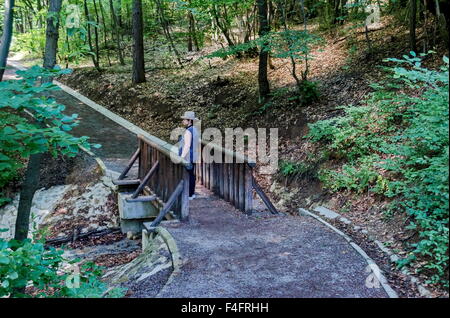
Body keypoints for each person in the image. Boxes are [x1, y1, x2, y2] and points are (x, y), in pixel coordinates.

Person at [178, 111, 199, 200]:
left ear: (189, 120)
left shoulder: (189, 131)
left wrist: (182, 157)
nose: (183, 121)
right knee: (191, 174)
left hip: (188, 156)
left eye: (184, 119)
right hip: (193, 155)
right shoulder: (194, 129)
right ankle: (192, 193)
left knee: (189, 174)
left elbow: (187, 145)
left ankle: (190, 194)